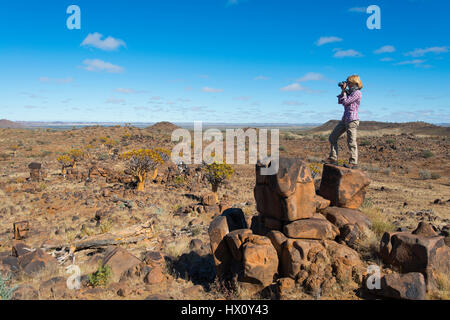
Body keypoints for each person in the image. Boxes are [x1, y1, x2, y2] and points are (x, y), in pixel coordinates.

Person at [324, 74, 363, 169]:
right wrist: (343, 91)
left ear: (354, 82)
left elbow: (346, 102)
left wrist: (345, 92)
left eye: (349, 82)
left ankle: (353, 162)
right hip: (345, 119)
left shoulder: (357, 93)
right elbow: (340, 101)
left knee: (351, 141)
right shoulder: (349, 92)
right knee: (332, 137)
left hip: (352, 120)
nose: (347, 84)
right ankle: (333, 158)